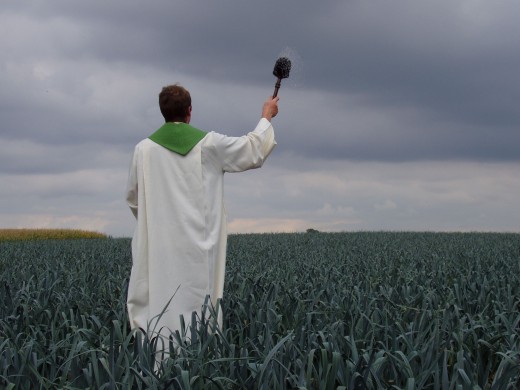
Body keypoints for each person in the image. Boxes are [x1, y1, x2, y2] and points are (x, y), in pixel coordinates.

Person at [125, 84, 279, 344]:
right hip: (199, 248)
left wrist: (157, 221)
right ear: (189, 112)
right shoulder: (209, 145)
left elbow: (133, 197)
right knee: (199, 308)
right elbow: (252, 149)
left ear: (163, 112)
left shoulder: (143, 150)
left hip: (160, 247)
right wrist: (266, 115)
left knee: (159, 302)